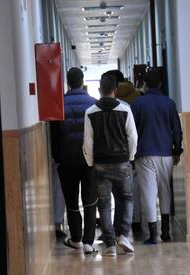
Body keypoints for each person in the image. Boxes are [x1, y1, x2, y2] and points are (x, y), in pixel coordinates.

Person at [83, 75, 138, 256]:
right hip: (122, 161)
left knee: (105, 205)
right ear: (115, 90)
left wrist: (91, 162)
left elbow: (87, 142)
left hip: (100, 164)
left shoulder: (90, 112)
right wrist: (130, 157)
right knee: (127, 198)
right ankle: (123, 235)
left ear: (99, 90)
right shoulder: (125, 109)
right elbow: (133, 137)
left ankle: (110, 245)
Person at [131, 69, 183, 245]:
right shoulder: (169, 103)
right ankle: (166, 232)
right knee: (165, 190)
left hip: (144, 153)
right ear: (160, 84)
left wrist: (131, 153)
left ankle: (152, 234)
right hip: (166, 152)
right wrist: (177, 150)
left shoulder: (138, 104)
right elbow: (176, 129)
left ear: (144, 84)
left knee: (148, 192)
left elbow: (132, 131)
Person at [50, 67, 97, 255]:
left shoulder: (58, 104)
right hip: (89, 161)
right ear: (82, 80)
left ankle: (76, 238)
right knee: (90, 200)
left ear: (68, 82)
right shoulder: (93, 104)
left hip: (67, 162)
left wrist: (58, 157)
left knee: (71, 201)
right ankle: (88, 242)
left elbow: (54, 137)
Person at [102, 70, 143, 233]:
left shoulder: (99, 107)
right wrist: (132, 155)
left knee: (105, 200)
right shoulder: (136, 98)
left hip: (104, 156)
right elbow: (133, 133)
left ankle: (109, 234)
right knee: (128, 195)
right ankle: (132, 225)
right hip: (125, 155)